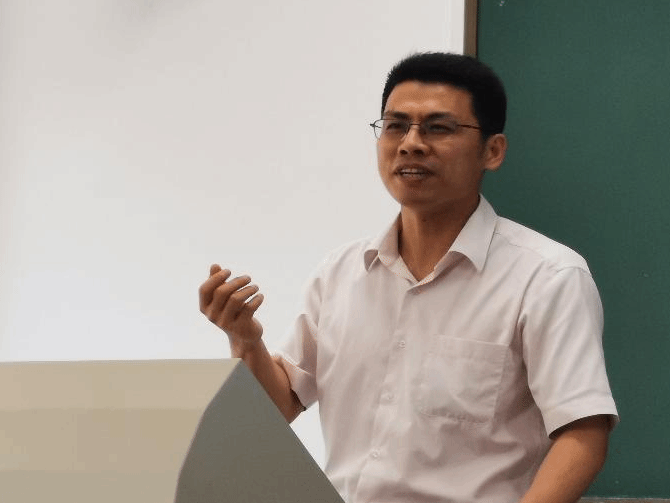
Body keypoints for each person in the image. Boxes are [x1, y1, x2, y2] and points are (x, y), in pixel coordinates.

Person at [199, 52, 618, 503]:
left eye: (439, 128)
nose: (411, 144)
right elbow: (280, 405)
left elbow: (582, 434)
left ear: (492, 151)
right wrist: (244, 338)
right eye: (396, 126)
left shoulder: (547, 277)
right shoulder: (340, 273)